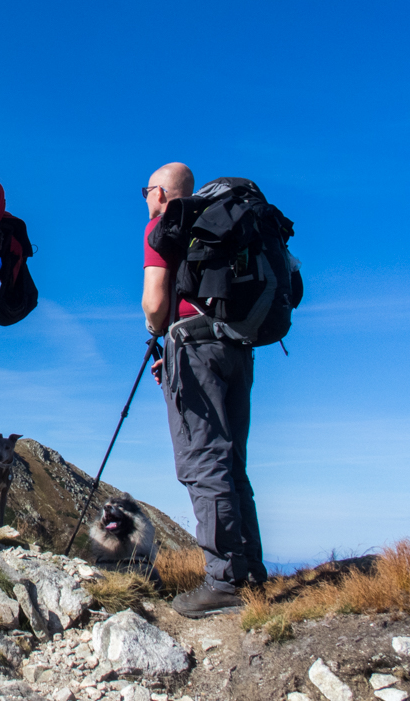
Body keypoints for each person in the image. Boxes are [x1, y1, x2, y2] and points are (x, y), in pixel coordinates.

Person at [141, 162, 268, 618]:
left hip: (192, 345)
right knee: (232, 460)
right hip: (238, 346)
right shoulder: (224, 222)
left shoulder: (164, 225)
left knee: (201, 459)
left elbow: (156, 303)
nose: (146, 198)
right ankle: (250, 572)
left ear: (161, 192)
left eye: (146, 190)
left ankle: (224, 584)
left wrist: (160, 333)